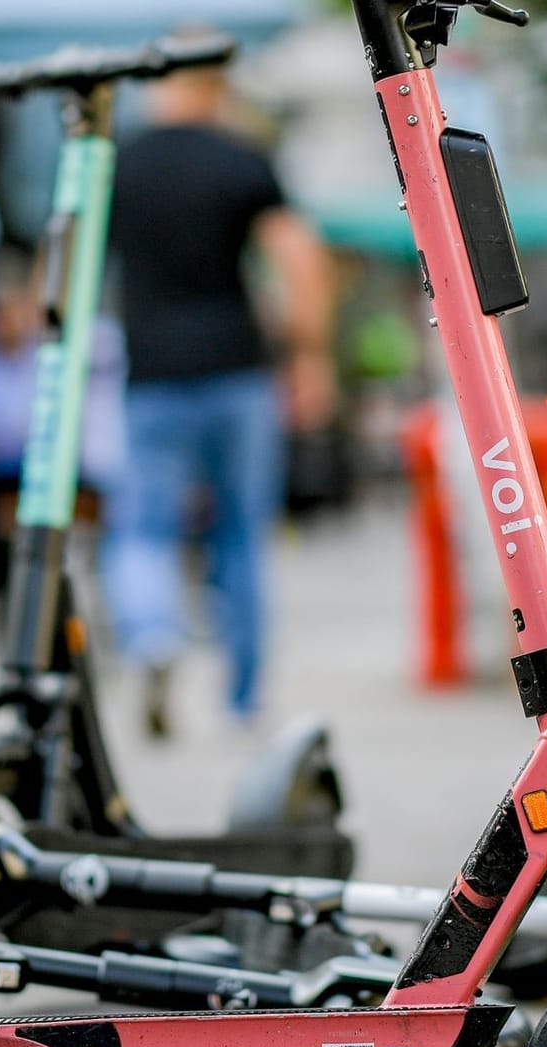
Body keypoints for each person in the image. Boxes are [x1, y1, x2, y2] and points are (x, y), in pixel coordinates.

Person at [105, 45, 336, 735]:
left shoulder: (119, 161)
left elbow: (71, 263)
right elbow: (301, 261)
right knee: (241, 535)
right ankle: (240, 700)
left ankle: (152, 635)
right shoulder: (241, 159)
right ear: (216, 89)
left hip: (149, 375)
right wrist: (310, 355)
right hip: (237, 371)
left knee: (144, 529)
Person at [0, 249, 125, 594]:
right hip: (3, 467)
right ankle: (0, 585)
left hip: (54, 464)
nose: (8, 320)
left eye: (15, 309)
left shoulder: (53, 351)